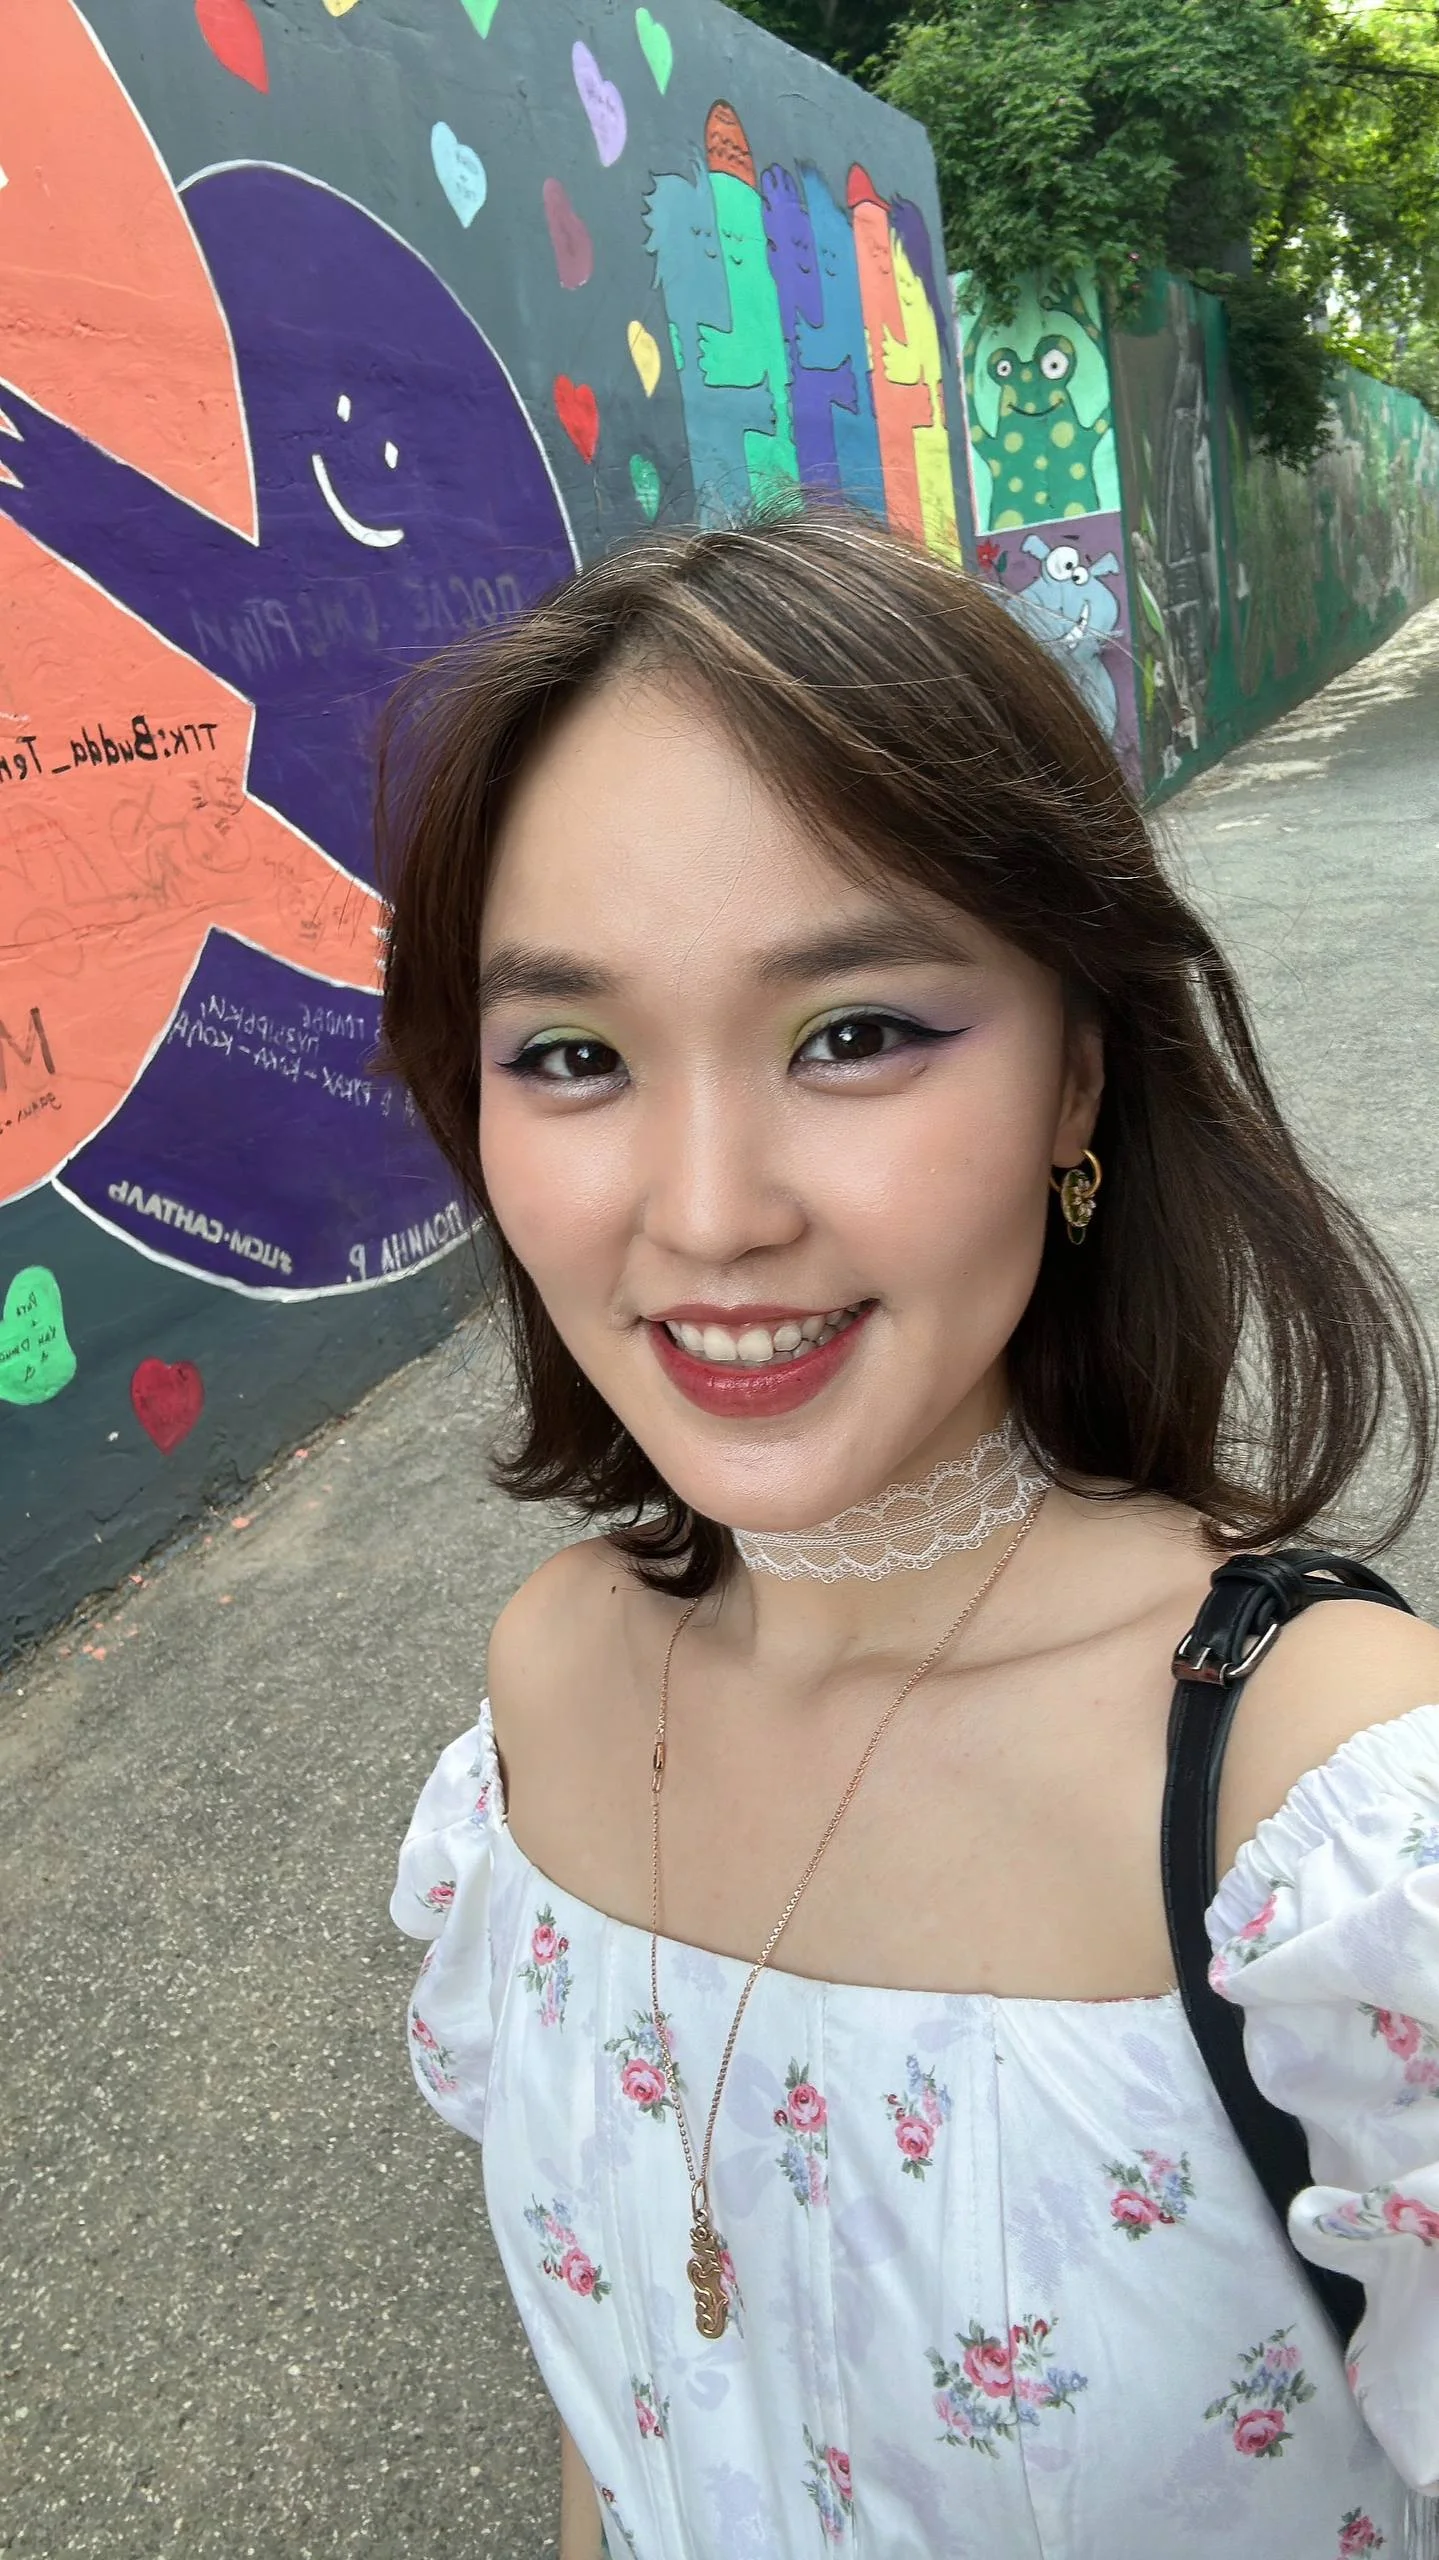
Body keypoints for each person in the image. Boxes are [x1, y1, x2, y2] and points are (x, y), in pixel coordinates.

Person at [378, 504, 1439, 2559]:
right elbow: (620, 2414)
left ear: (1075, 1079)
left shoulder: (1327, 1822)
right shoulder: (550, 1690)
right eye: (574, 1055)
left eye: (851, 1033)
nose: (707, 1213)